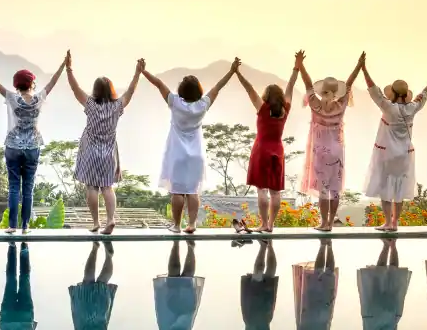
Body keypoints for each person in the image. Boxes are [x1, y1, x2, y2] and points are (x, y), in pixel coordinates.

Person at [142, 59, 240, 233]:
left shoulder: (175, 102)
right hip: (196, 155)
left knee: (177, 192)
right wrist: (232, 71)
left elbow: (158, 84)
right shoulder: (202, 106)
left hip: (177, 154)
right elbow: (218, 87)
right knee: (193, 191)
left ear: (181, 91)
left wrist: (143, 71)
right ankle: (192, 224)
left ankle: (177, 225)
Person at [0, 50, 66, 234]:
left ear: (16, 85)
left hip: (12, 146)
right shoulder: (39, 98)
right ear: (32, 83)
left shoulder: (11, 98)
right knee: (28, 188)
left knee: (13, 187)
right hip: (33, 146)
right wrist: (64, 65)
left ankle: (12, 226)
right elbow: (53, 82)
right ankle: (25, 226)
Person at [65, 53, 144, 234]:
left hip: (90, 152)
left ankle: (95, 223)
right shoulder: (117, 106)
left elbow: (74, 88)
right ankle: (110, 220)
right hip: (108, 153)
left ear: (95, 90)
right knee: (107, 187)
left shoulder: (90, 104)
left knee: (91, 187)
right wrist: (137, 73)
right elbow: (131, 91)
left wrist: (69, 68)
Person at [361, 58, 427, 231]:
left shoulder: (388, 107)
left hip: (387, 153)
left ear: (393, 93)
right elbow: (424, 94)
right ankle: (395, 222)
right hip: (405, 154)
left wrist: (363, 69)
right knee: (398, 189)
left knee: (386, 187)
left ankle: (387, 223)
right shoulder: (412, 108)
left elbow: (373, 90)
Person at [233, 52, 303, 233]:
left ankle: (263, 223)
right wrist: (297, 65)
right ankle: (271, 225)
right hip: (278, 150)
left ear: (266, 96)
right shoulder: (285, 109)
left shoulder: (263, 108)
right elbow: (291, 85)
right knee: (275, 192)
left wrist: (237, 72)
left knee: (262, 190)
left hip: (261, 149)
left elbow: (249, 89)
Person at [296, 52, 363, 231]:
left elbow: (307, 83)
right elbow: (349, 85)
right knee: (334, 189)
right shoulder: (340, 105)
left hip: (320, 152)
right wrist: (359, 66)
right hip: (337, 151)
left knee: (323, 190)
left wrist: (300, 64)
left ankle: (323, 223)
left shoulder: (315, 105)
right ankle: (331, 222)